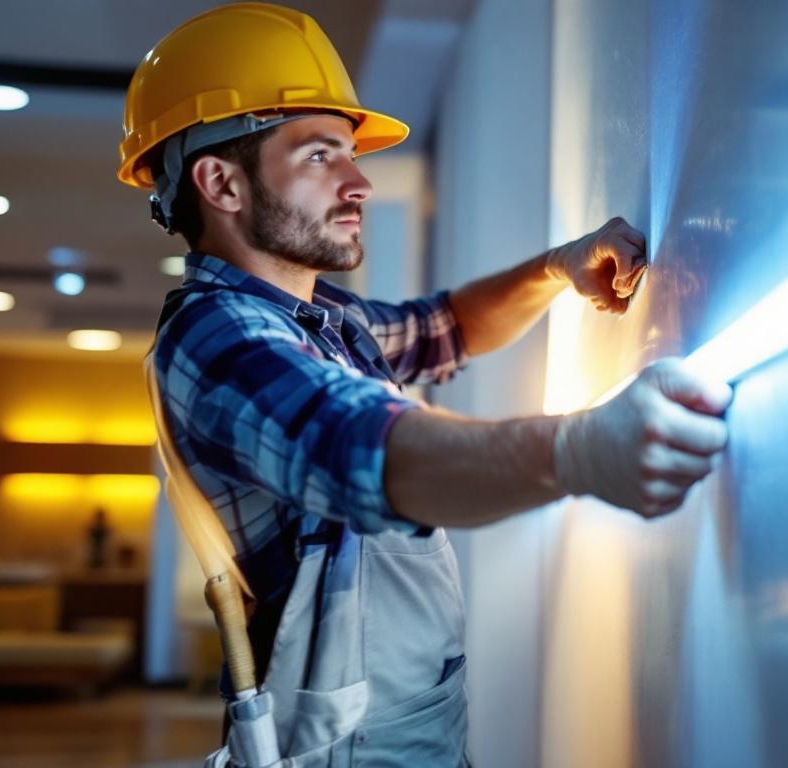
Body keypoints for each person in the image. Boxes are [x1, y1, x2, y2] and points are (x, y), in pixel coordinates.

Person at [118, 3, 731, 765]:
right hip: (336, 746)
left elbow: (449, 326)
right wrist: (579, 450)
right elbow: (369, 451)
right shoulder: (215, 337)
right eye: (319, 156)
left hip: (402, 723)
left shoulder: (320, 319)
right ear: (222, 183)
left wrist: (555, 269)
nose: (359, 183)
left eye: (350, 153)